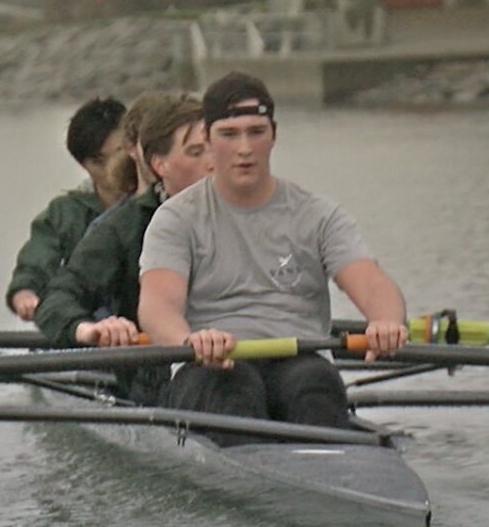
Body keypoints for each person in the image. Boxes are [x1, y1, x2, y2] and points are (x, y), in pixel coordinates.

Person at [137, 71, 409, 434]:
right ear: (208, 139)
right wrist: (188, 341)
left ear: (274, 135)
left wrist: (387, 321)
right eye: (230, 135)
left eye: (256, 132)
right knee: (234, 392)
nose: (245, 148)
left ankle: (325, 467)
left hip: (299, 360)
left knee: (316, 388)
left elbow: (371, 282)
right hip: (213, 363)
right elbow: (157, 306)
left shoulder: (318, 215)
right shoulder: (176, 218)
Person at [35, 93, 211, 404]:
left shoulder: (257, 210)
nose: (213, 163)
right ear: (159, 164)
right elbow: (56, 300)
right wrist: (89, 329)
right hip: (159, 370)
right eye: (197, 152)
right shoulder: (122, 227)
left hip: (244, 356)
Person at [4, 97, 126, 322]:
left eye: (120, 153)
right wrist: (25, 293)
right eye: (99, 160)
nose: (112, 168)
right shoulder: (64, 213)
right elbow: (36, 261)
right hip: (90, 327)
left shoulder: (161, 203)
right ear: (83, 164)